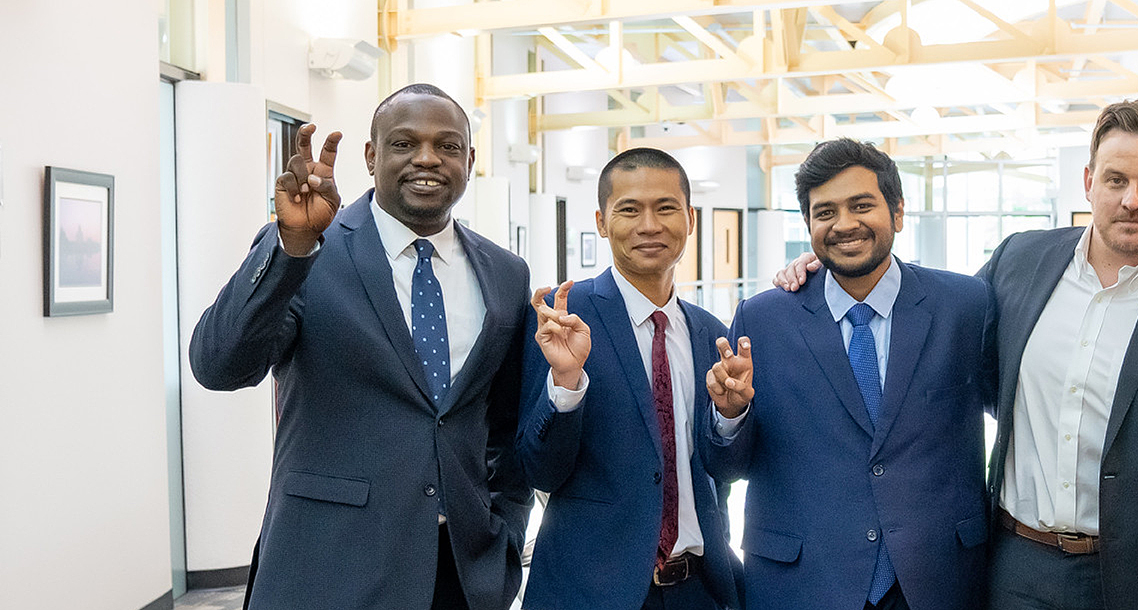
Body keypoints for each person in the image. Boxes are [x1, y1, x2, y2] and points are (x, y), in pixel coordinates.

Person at [773, 101, 1138, 610]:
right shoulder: (1021, 260)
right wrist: (835, 265)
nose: (1132, 200)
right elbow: (927, 320)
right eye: (1115, 180)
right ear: (1088, 181)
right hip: (1018, 566)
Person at [190, 83, 533, 610]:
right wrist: (292, 249)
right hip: (328, 567)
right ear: (371, 157)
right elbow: (219, 365)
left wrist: (503, 534)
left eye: (447, 145)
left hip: (461, 574)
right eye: (403, 144)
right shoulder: (309, 250)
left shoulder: (506, 275)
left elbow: (502, 428)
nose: (427, 158)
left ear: (469, 158)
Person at [705, 138, 994, 610]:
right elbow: (726, 467)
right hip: (803, 582)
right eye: (825, 212)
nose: (844, 224)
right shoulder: (762, 320)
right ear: (808, 226)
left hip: (936, 579)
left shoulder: (965, 306)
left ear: (898, 212)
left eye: (862, 205)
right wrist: (730, 414)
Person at [516, 148, 743, 609]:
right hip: (591, 591)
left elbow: (726, 472)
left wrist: (731, 417)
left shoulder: (711, 335)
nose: (649, 226)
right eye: (629, 209)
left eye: (665, 208)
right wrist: (565, 382)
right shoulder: (563, 319)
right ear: (602, 221)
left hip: (699, 589)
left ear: (690, 218)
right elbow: (538, 470)